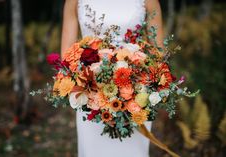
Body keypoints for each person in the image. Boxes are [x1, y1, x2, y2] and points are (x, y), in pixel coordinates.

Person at [61, 0, 164, 157]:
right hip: (90, 99)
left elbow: (158, 56)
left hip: (136, 99)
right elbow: (66, 57)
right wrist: (92, 92)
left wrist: (136, 91)